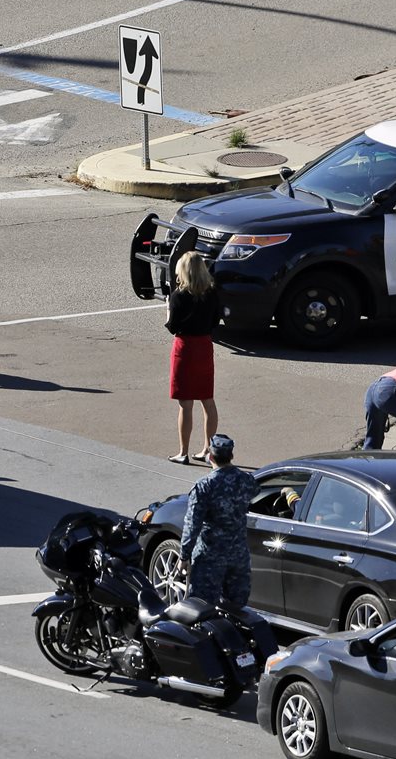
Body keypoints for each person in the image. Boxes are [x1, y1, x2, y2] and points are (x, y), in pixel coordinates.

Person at [178, 434, 257, 606]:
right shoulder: (247, 480)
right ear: (232, 456)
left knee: (202, 608)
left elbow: (192, 525)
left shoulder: (204, 486)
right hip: (238, 557)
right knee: (236, 609)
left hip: (210, 559)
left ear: (211, 457)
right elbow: (255, 493)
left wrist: (184, 556)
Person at [165, 252, 220, 464]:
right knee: (207, 399)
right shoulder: (211, 293)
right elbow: (216, 321)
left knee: (185, 404)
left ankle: (183, 452)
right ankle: (208, 449)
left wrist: (167, 313)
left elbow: (173, 327)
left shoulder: (179, 296)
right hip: (204, 346)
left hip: (185, 348)